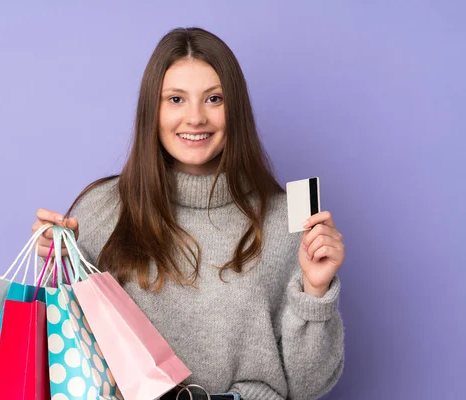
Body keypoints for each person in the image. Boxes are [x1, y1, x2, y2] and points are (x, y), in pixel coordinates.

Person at [32, 27, 345, 400]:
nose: (195, 118)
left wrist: (316, 289)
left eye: (214, 98)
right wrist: (56, 264)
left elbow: (310, 385)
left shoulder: (289, 219)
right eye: (176, 99)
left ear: (237, 110)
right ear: (153, 109)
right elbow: (62, 363)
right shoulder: (101, 209)